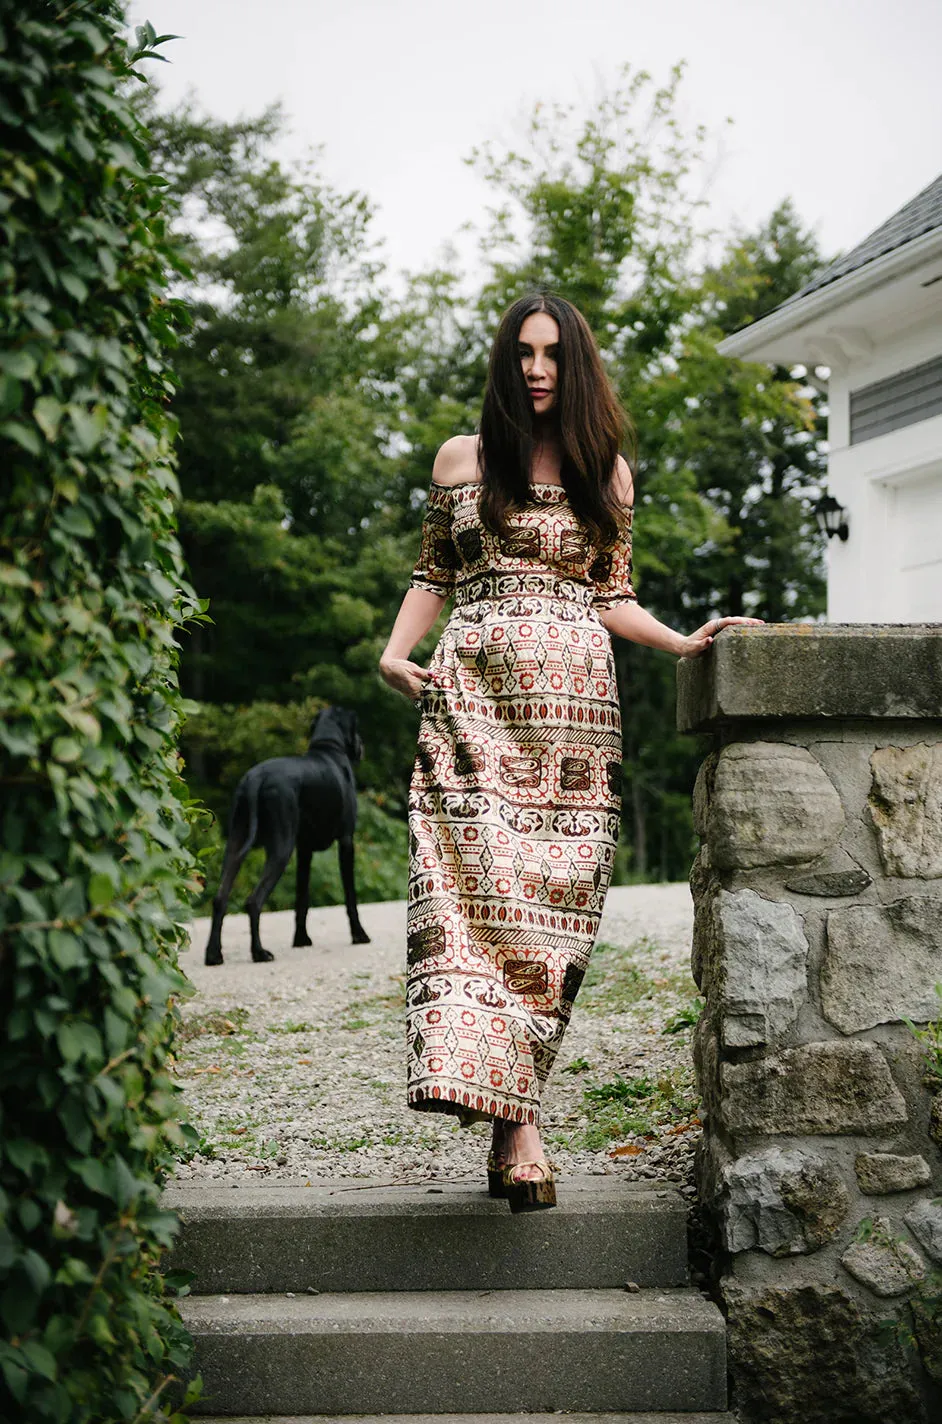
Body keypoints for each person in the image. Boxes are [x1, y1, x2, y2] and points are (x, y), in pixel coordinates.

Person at [379, 292, 762, 1213]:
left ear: (576, 364)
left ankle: (515, 1113)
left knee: (551, 924)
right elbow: (436, 571)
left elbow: (612, 594)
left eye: (553, 354)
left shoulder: (608, 472)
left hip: (574, 725)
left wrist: (681, 644)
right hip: (470, 704)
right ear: (504, 363)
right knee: (464, 899)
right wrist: (395, 652)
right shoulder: (462, 460)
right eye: (523, 354)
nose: (537, 369)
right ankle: (516, 1126)